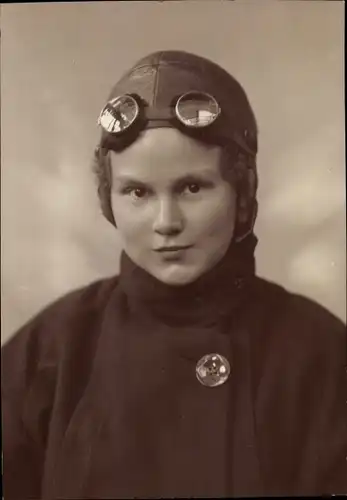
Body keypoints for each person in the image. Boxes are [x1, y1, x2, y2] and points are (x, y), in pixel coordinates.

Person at [2, 50, 346, 499]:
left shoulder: (319, 353)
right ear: (109, 201)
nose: (166, 221)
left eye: (191, 187)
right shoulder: (52, 348)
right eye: (138, 192)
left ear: (242, 193)